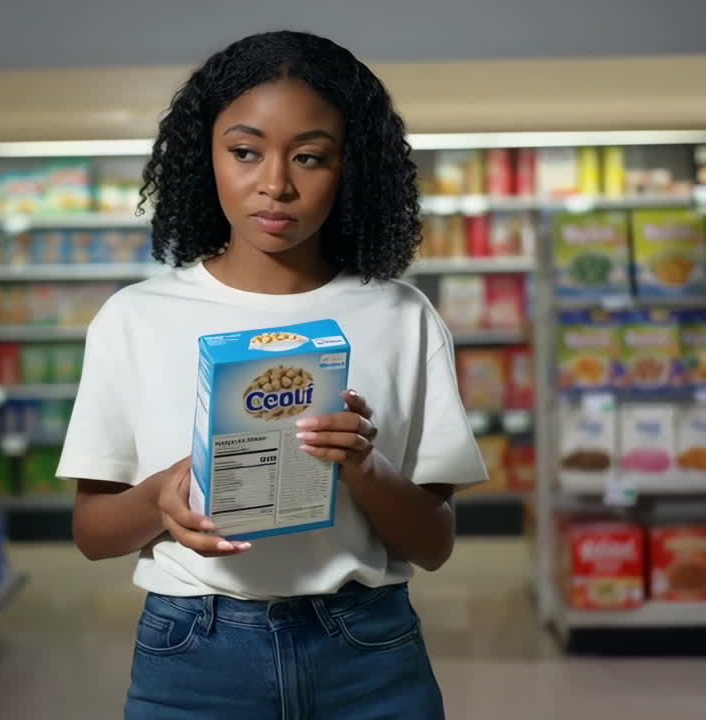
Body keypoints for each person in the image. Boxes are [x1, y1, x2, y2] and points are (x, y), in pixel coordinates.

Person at [59, 30, 486, 719]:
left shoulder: (401, 317)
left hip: (368, 653)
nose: (276, 184)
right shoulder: (134, 319)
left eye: (311, 156)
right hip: (193, 654)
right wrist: (161, 498)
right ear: (207, 158)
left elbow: (434, 545)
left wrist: (362, 466)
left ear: (353, 167)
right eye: (245, 152)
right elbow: (91, 533)